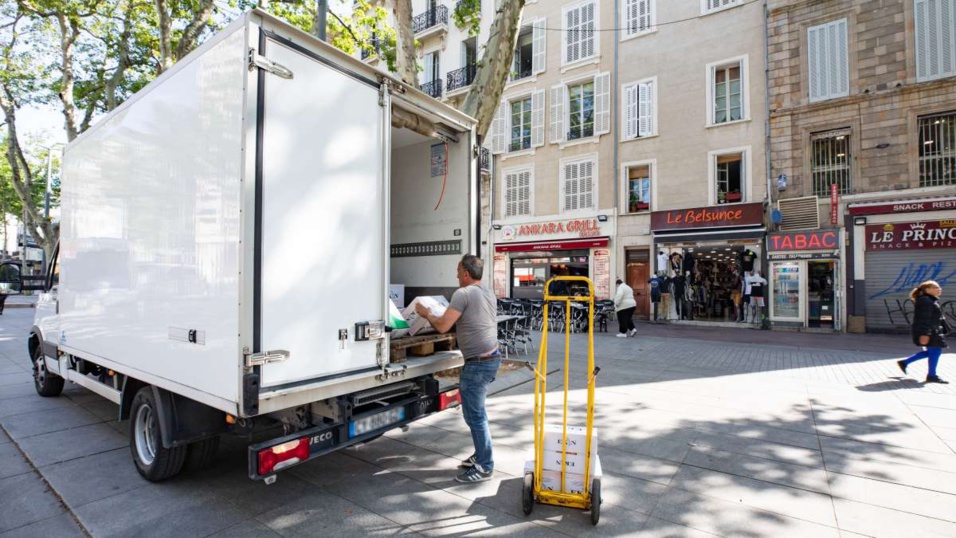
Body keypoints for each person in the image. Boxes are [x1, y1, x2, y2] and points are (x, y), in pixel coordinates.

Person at [415, 254, 502, 481]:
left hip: (478, 364)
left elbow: (443, 326)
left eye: (457, 270)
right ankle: (482, 455)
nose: (455, 275)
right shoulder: (487, 291)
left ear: (465, 273)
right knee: (476, 414)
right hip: (491, 358)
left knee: (475, 415)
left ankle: (485, 466)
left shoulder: (463, 293)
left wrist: (426, 314)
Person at [897, 280, 949, 384]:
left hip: (933, 330)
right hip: (930, 331)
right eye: (937, 287)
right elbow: (924, 319)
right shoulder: (926, 301)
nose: (940, 289)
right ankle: (931, 375)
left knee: (933, 352)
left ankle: (905, 362)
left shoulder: (929, 300)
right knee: (935, 352)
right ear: (928, 290)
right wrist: (925, 334)